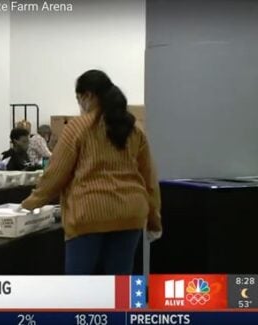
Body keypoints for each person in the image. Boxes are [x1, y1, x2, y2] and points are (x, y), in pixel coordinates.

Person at [20, 70, 161, 275]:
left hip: (89, 214)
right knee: (120, 287)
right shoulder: (133, 128)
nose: (80, 106)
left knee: (80, 288)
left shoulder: (78, 127)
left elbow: (55, 175)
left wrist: (30, 204)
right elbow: (149, 177)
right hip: (131, 213)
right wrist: (155, 218)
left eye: (79, 99)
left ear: (88, 96)